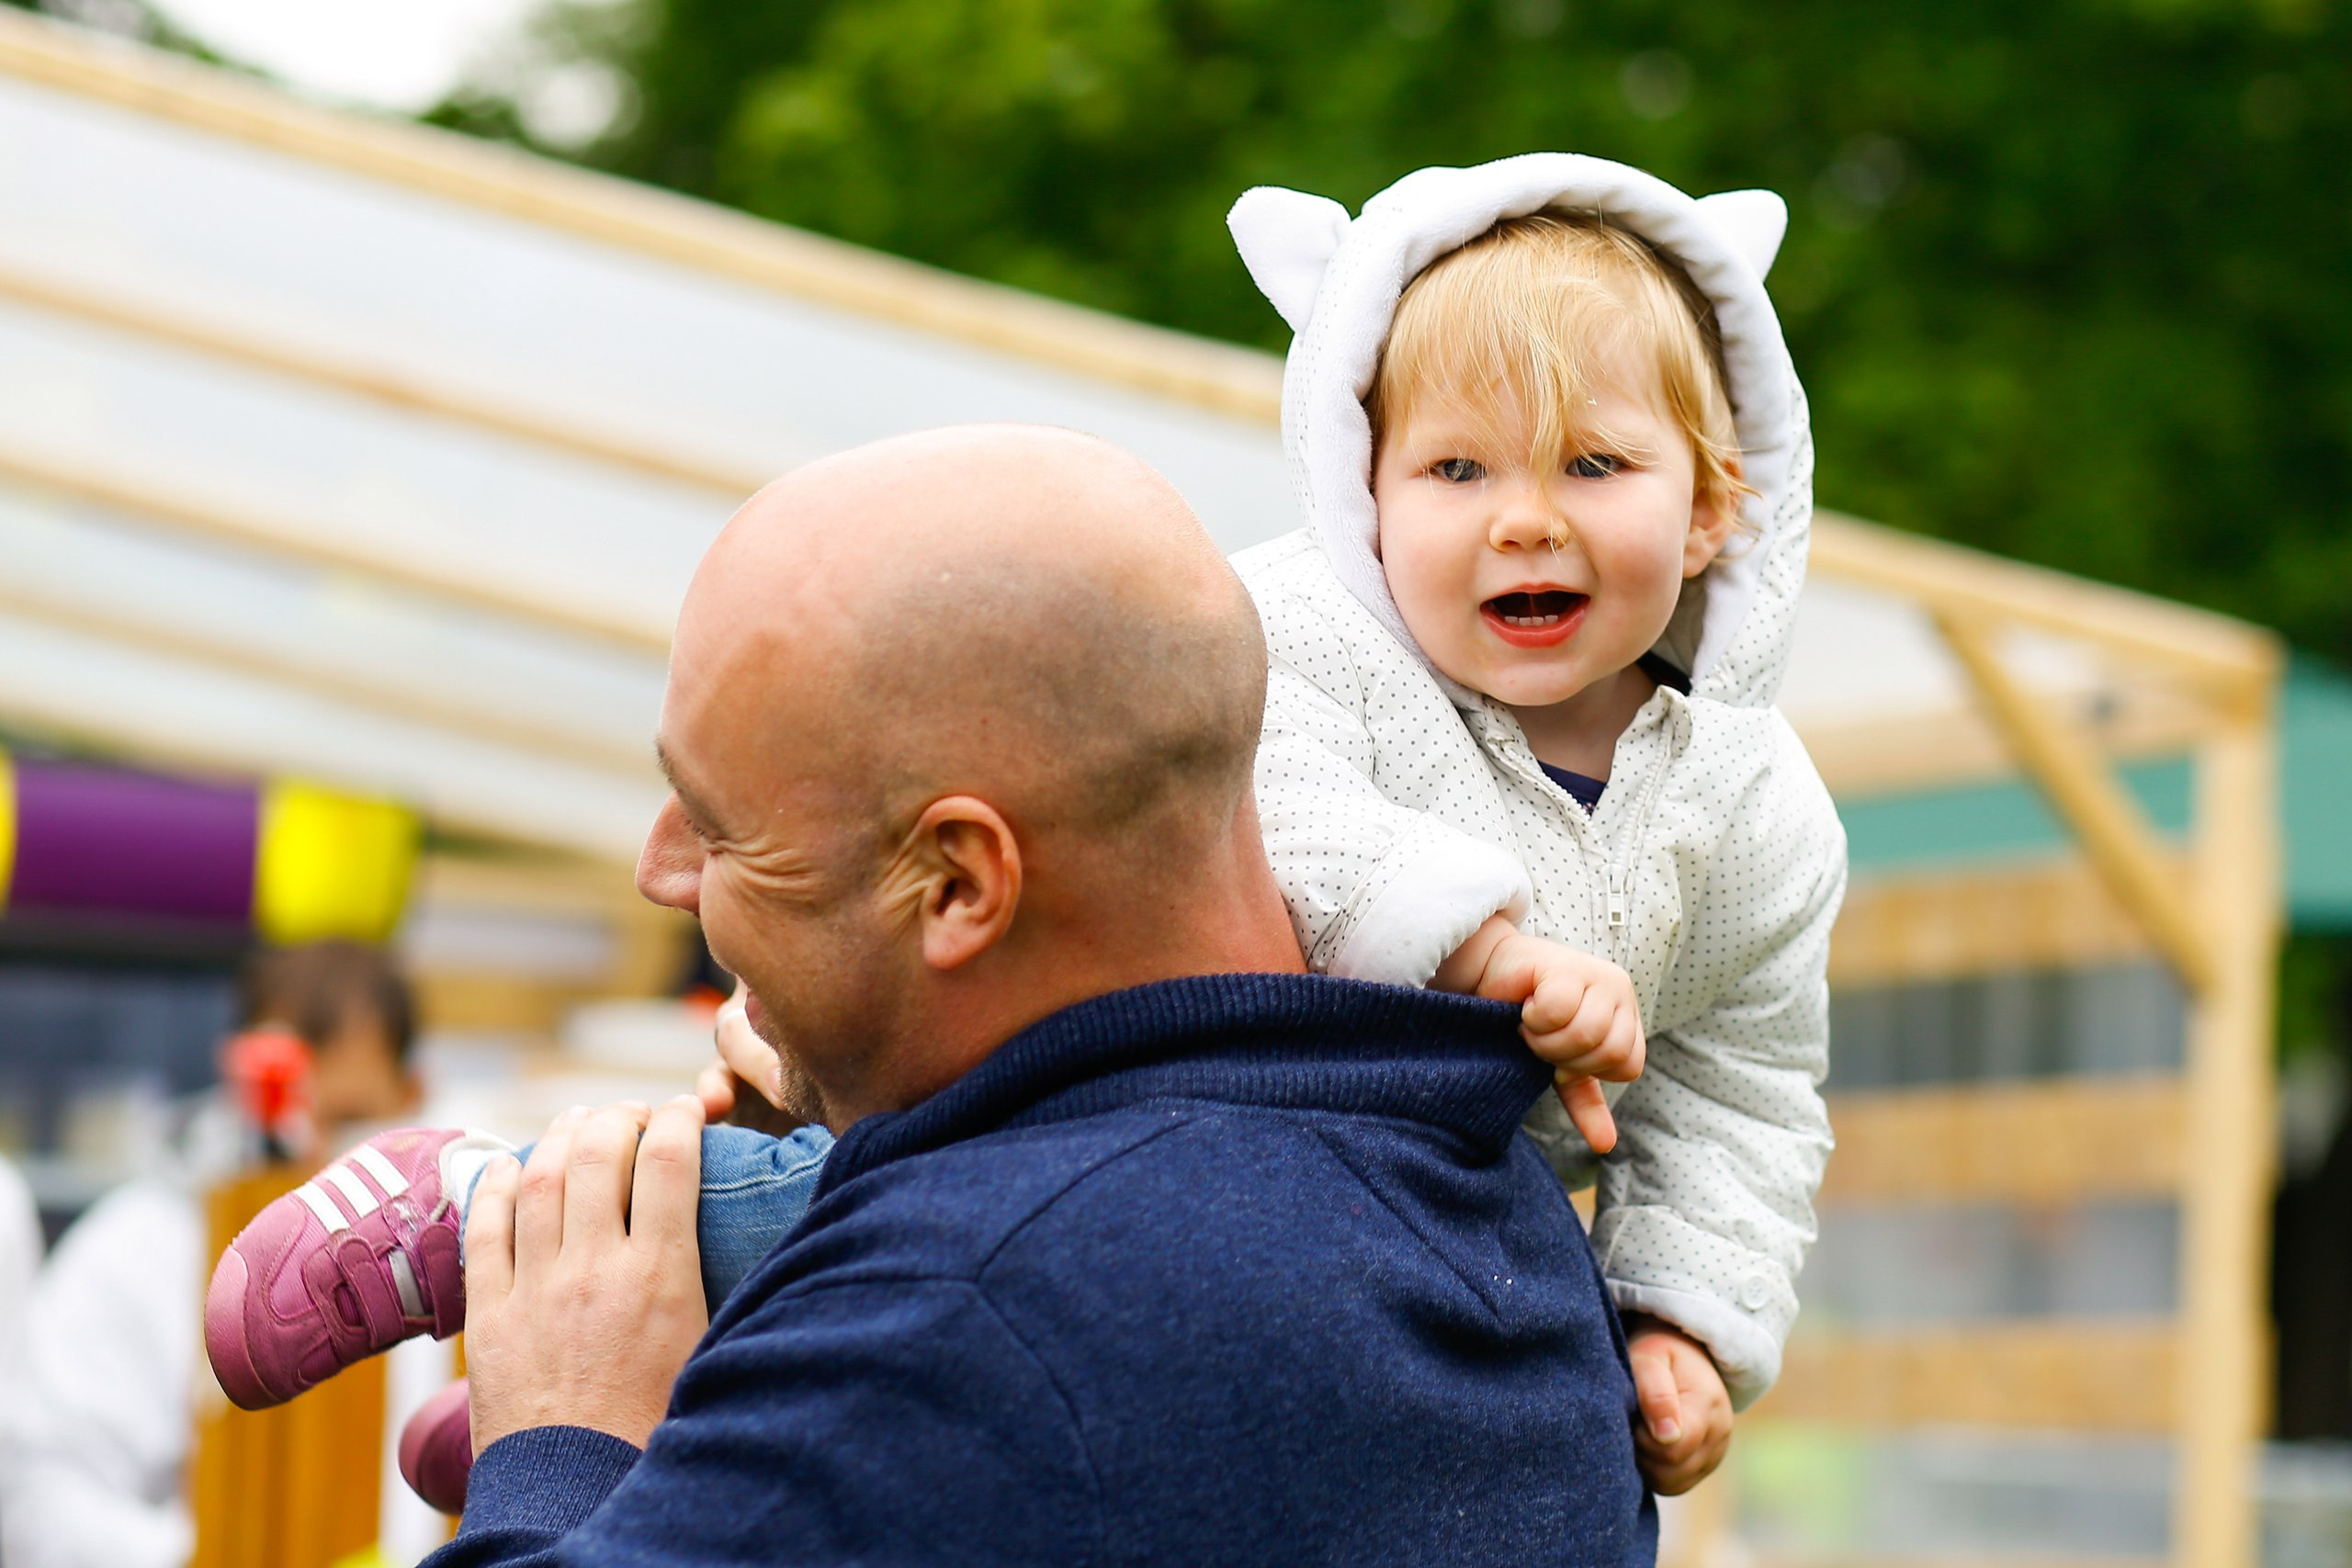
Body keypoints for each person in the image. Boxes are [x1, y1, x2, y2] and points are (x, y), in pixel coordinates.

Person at [396, 426, 1655, 1564]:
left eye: (723, 831)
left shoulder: (956, 1306)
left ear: (957, 882)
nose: (659, 868)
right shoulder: (1501, 1212)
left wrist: (566, 1431)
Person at [1220, 153, 1846, 1491]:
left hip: (1474, 1236)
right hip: (1214, 1167)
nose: (1525, 518)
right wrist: (1488, 955)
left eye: (1595, 462)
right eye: (1455, 466)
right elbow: (1264, 808)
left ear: (1710, 508)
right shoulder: (1289, 642)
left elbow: (1739, 1077)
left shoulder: (1750, 796)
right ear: (1364, 491)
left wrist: (1684, 1314)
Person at [0, 942, 424, 1568]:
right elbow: (38, 1507)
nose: (316, 1150)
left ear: (413, 1094)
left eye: (351, 1118)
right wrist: (213, 1551)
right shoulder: (134, 1251)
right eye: (287, 1109)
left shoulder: (448, 1275)